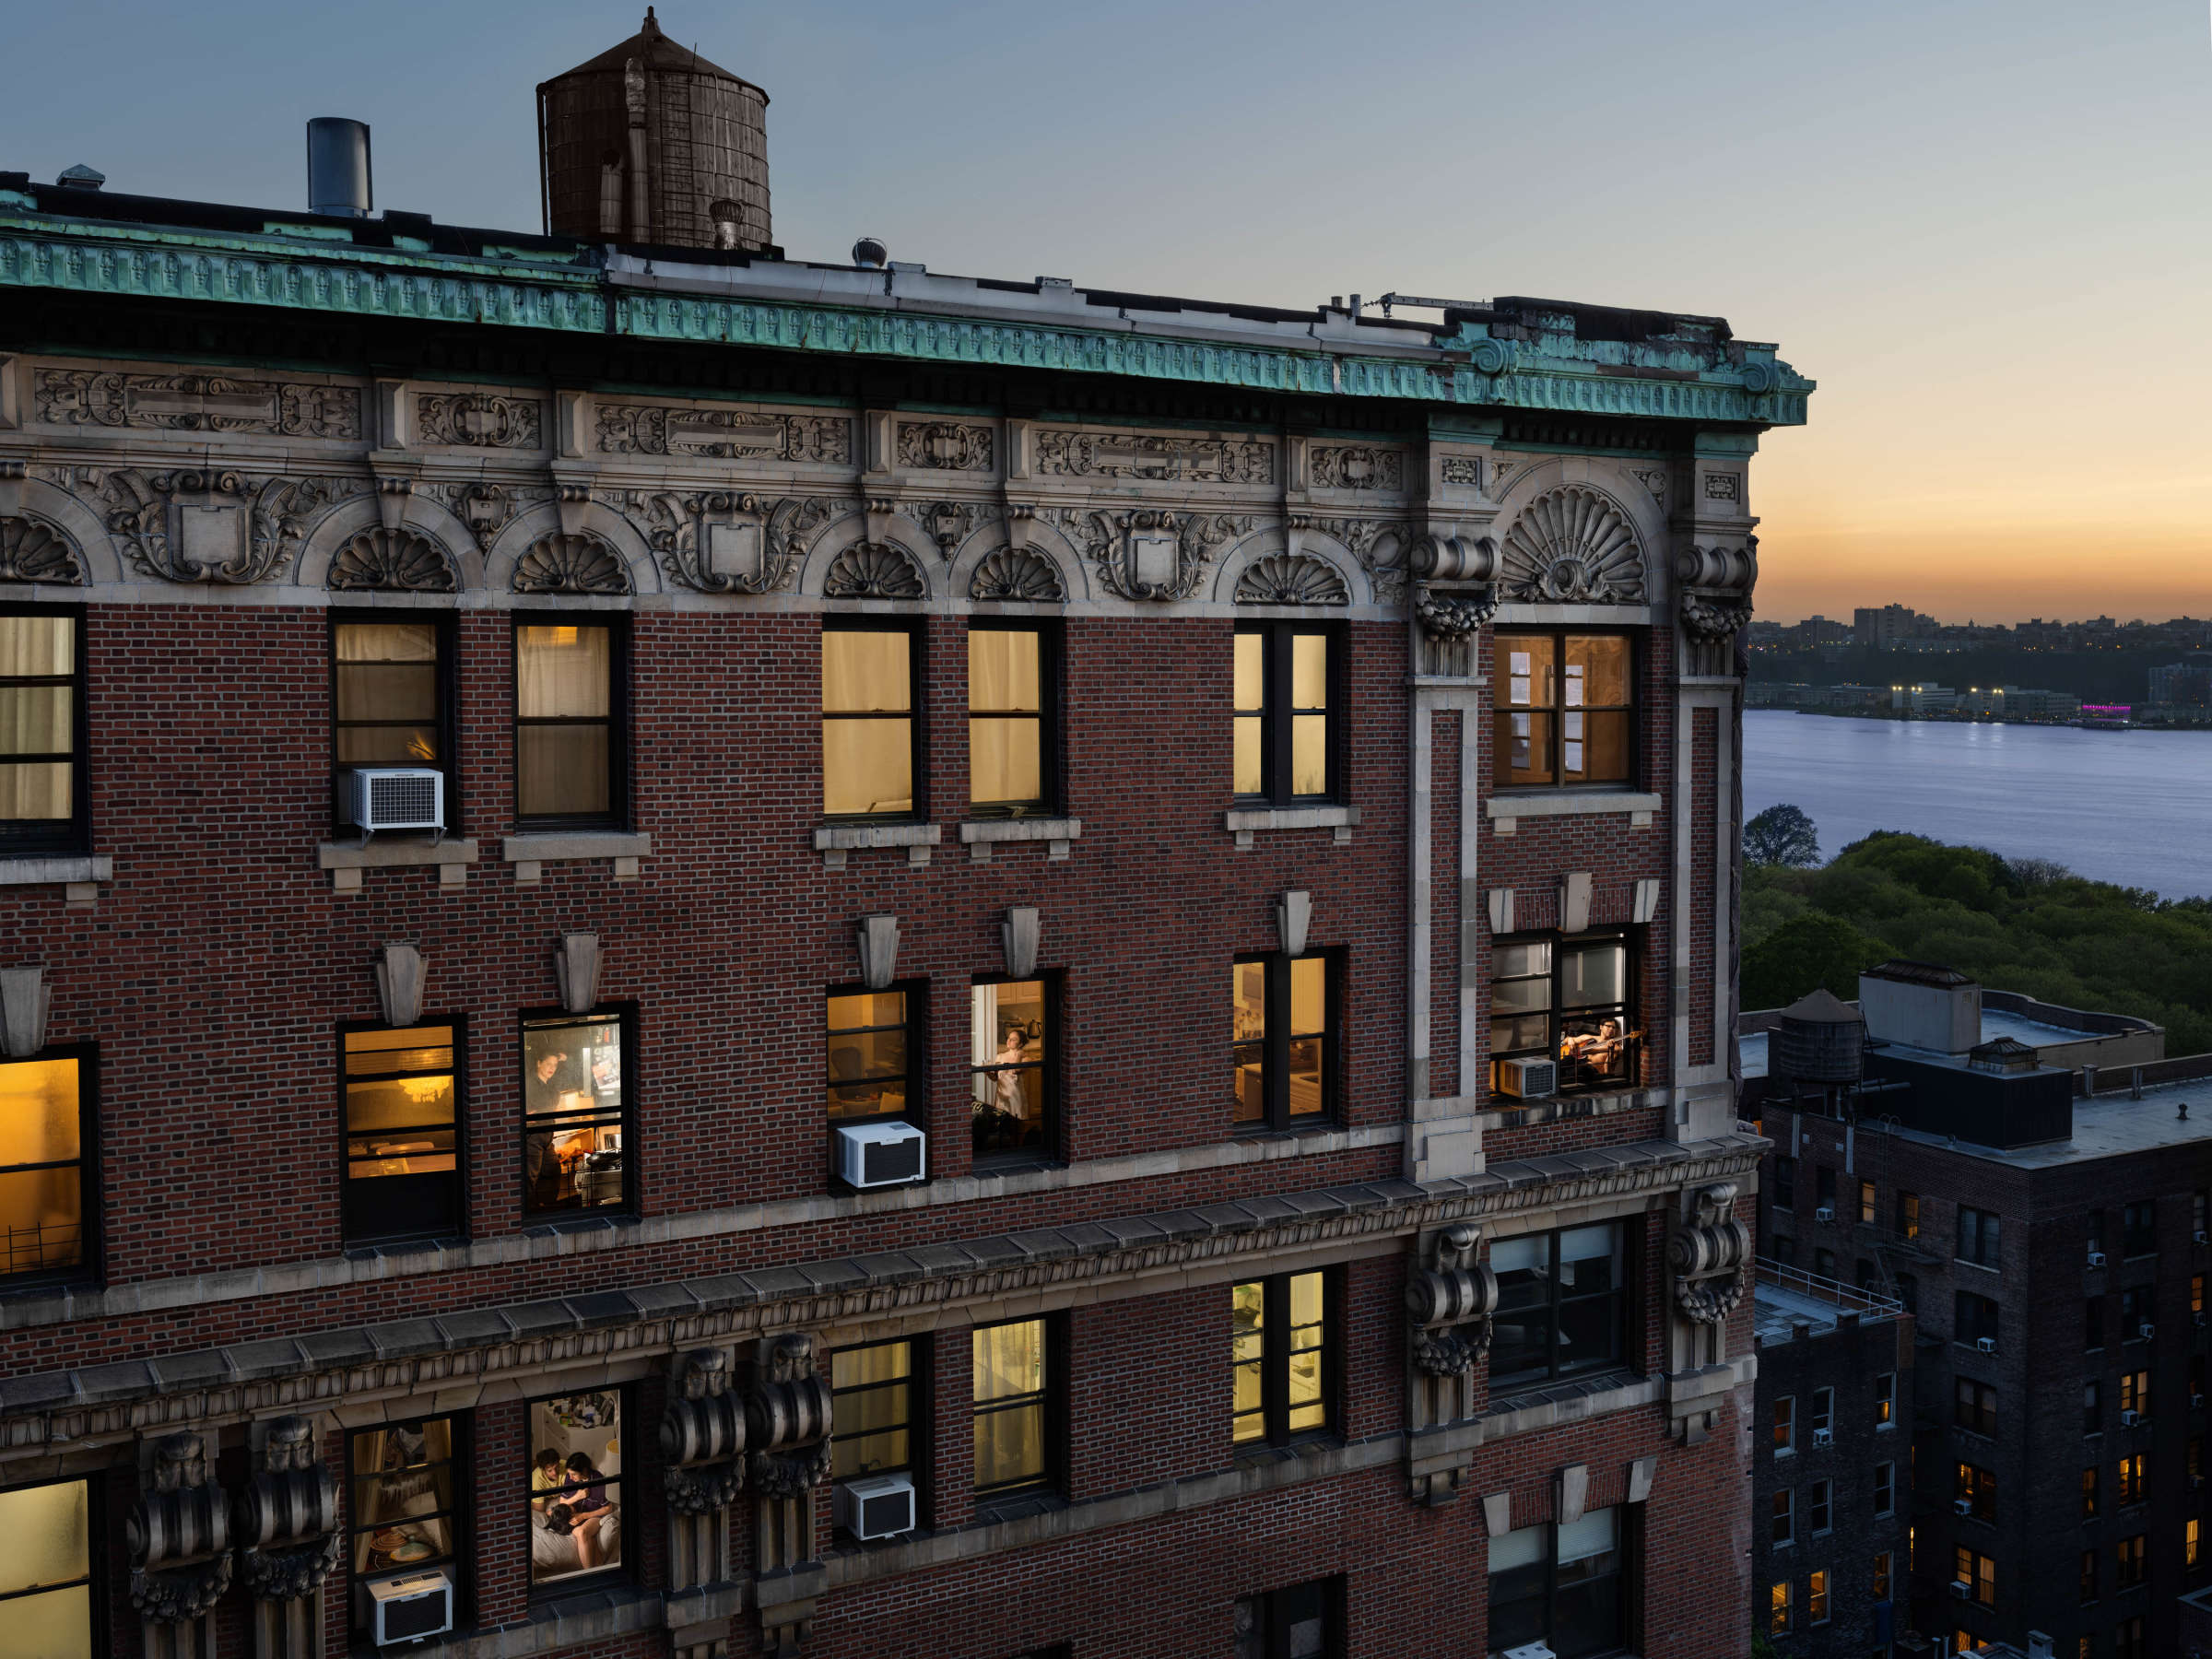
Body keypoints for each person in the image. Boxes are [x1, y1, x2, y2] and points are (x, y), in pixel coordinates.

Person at [559, 1452, 614, 1570]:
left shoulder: (598, 1480)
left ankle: (588, 1573)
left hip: (592, 1515)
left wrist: (583, 1516)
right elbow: (562, 1503)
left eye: (574, 1474)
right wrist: (577, 1497)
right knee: (585, 1536)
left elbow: (608, 1508)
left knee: (582, 1532)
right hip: (574, 1514)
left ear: (584, 1470)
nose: (570, 1477)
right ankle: (598, 1570)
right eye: (569, 1474)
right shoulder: (570, 1478)